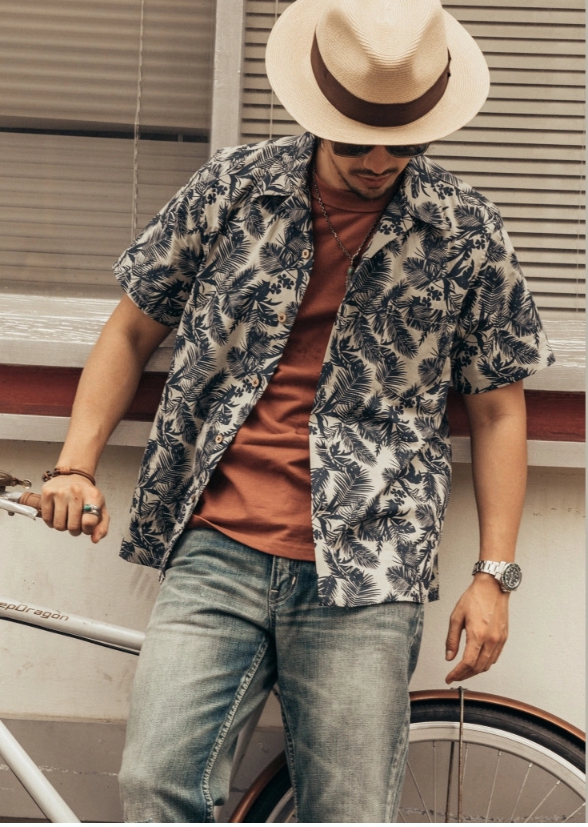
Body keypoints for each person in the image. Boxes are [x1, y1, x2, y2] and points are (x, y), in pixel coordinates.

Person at [41, 0, 555, 821]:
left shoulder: (466, 232)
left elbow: (497, 408)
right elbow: (133, 327)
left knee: (348, 812)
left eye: (402, 141)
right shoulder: (234, 188)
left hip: (371, 567)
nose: (379, 161)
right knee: (153, 784)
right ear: (317, 113)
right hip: (218, 546)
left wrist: (495, 576)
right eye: (355, 139)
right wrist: (75, 463)